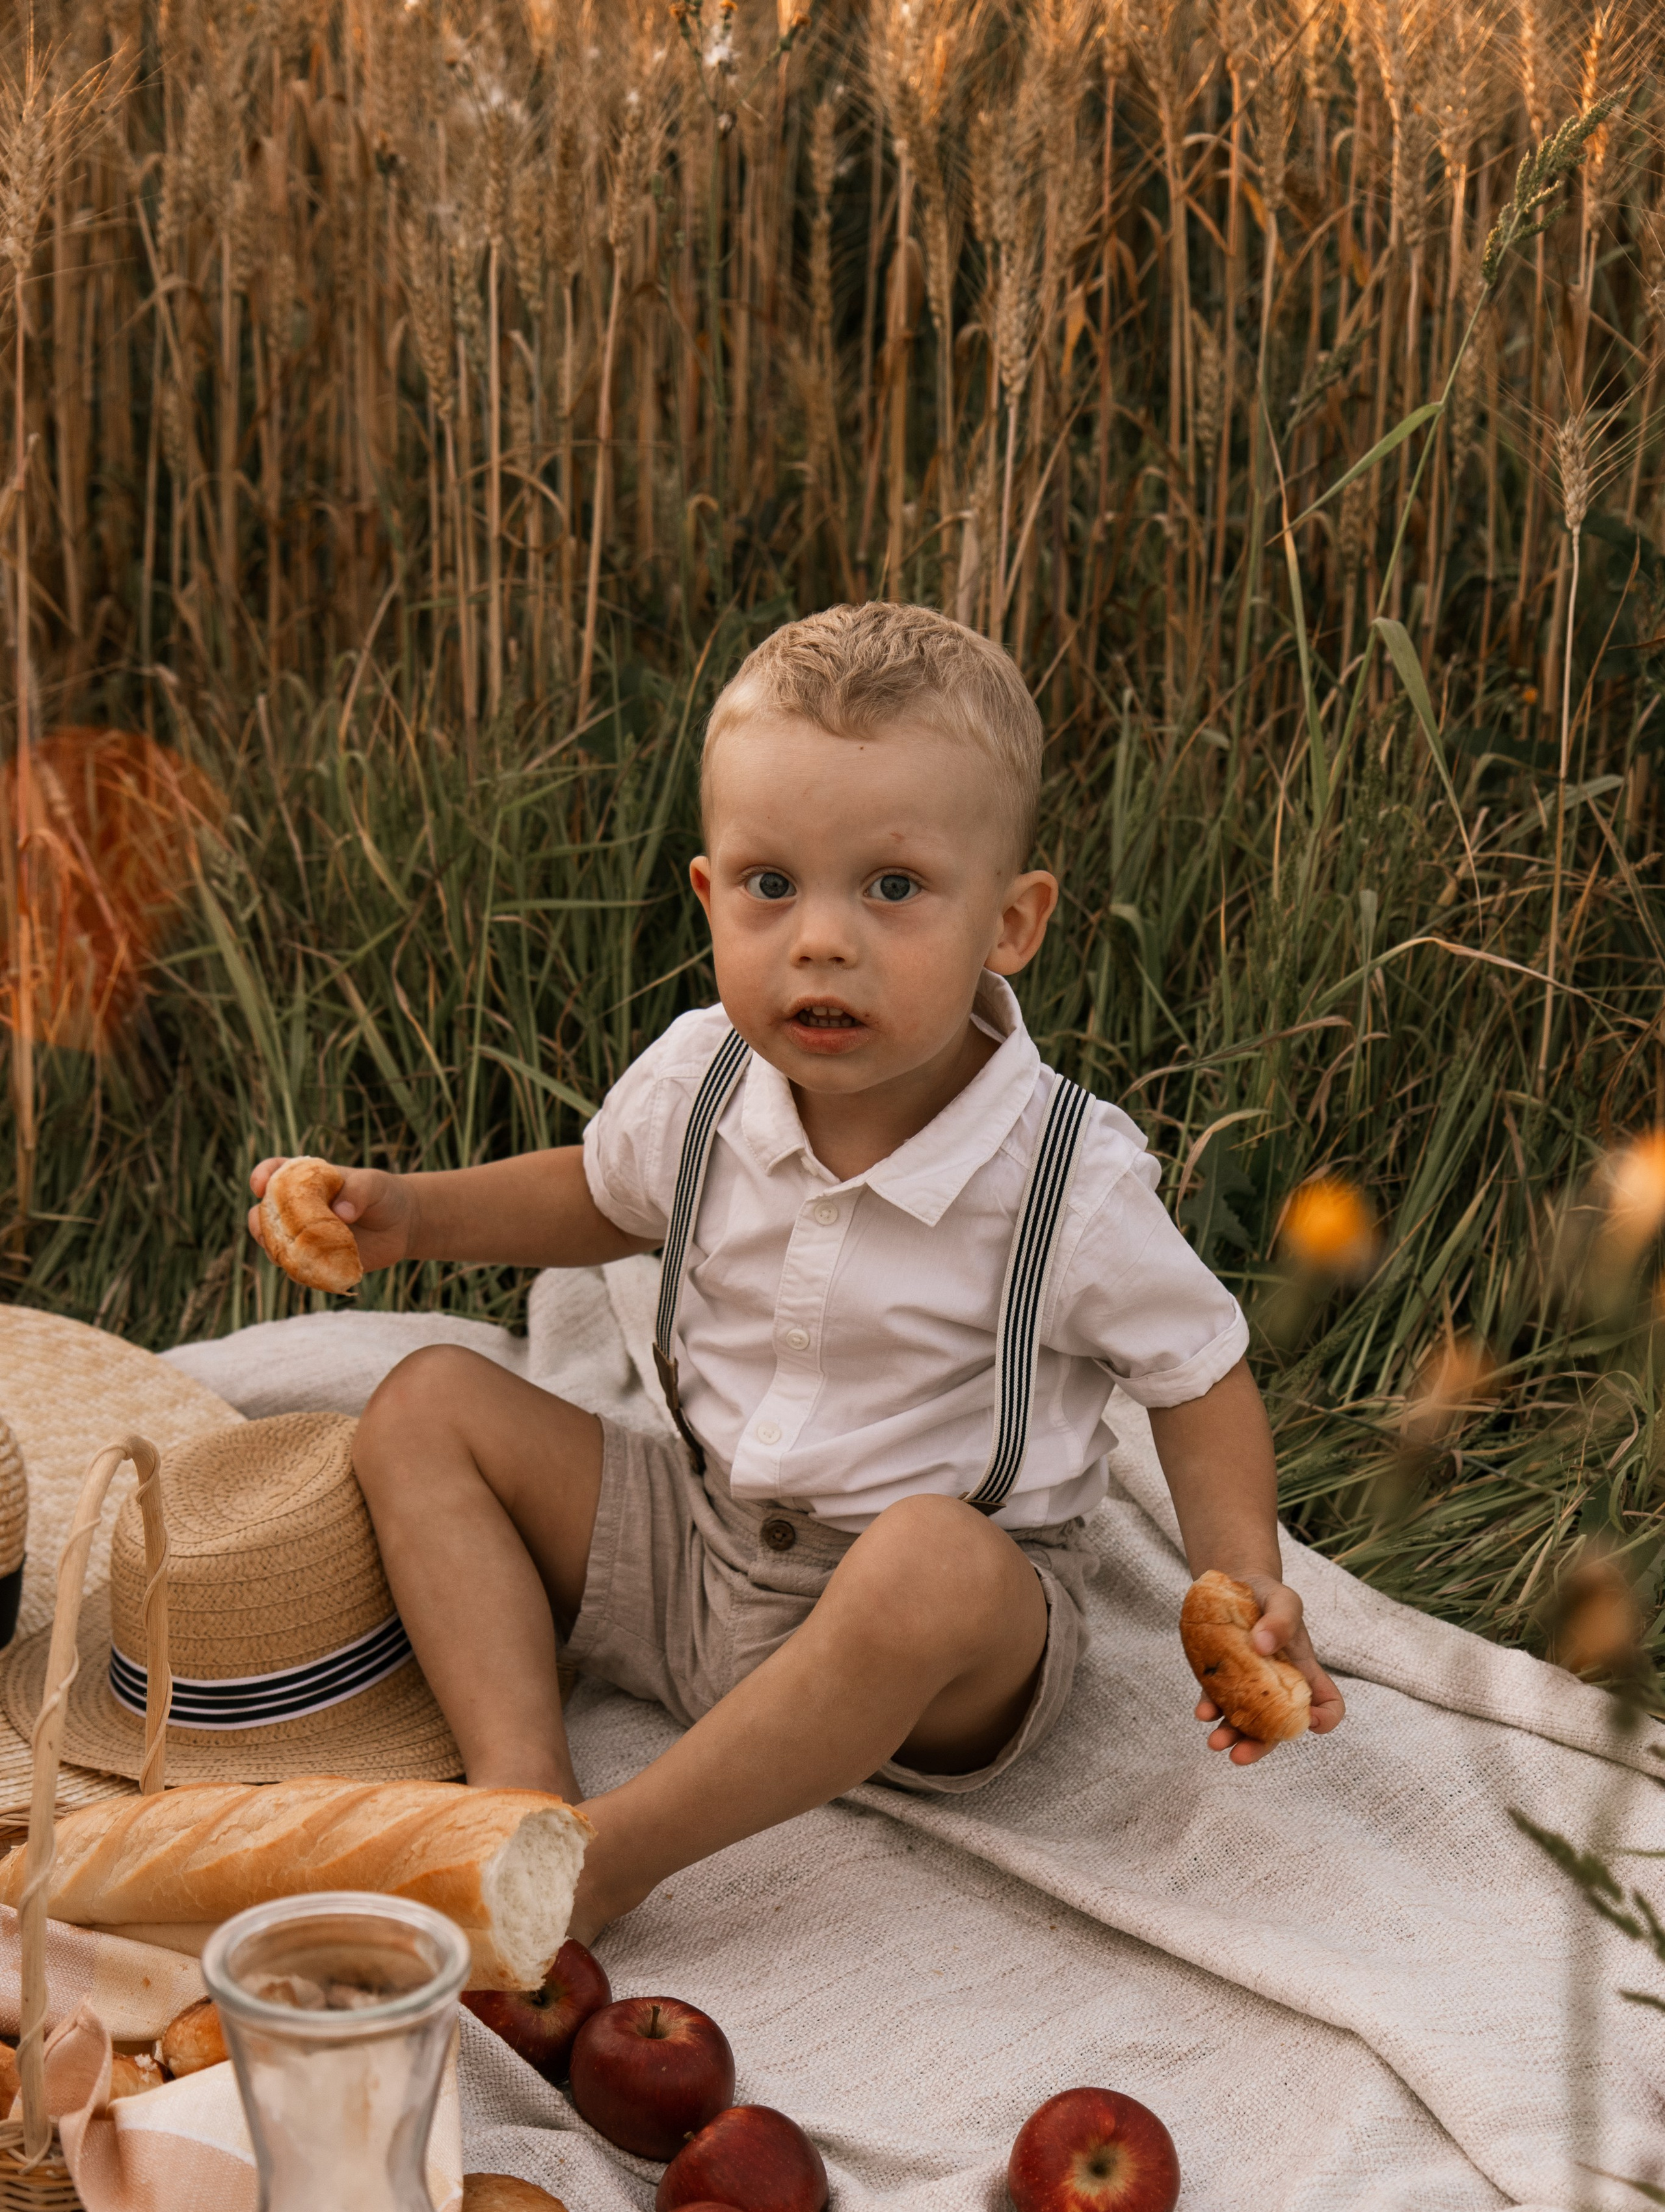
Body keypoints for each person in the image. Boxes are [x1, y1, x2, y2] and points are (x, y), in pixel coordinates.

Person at [250, 603, 1343, 1941]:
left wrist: (1236, 1578)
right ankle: (517, 1796)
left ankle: (615, 1854)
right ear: (711, 893)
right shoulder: (702, 1073)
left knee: (930, 1559)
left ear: (1010, 922)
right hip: (701, 1537)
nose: (819, 940)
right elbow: (599, 1196)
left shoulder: (1062, 1175)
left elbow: (1197, 1372)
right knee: (424, 1401)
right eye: (772, 885)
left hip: (935, 1661)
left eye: (890, 888)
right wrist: (408, 1215)